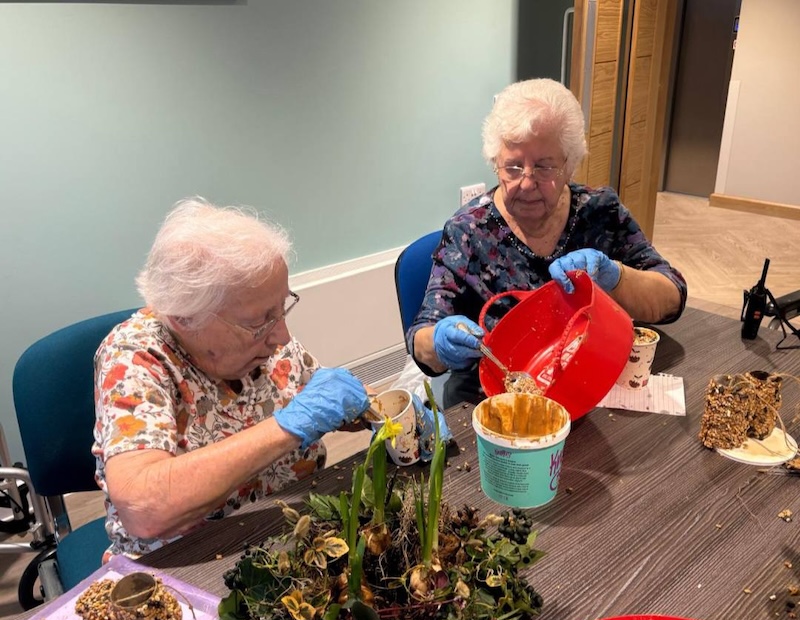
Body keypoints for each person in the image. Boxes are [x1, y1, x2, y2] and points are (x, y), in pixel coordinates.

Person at [92, 197, 371, 559]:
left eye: (282, 308)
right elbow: (144, 508)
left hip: (288, 534)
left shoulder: (264, 342)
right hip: (186, 562)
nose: (282, 336)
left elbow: (324, 401)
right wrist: (288, 426)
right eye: (259, 321)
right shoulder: (135, 357)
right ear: (183, 318)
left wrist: (382, 409)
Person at [408, 78, 687, 408]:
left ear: (569, 165)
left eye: (544, 167)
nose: (527, 183)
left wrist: (616, 277)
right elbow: (421, 337)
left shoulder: (600, 212)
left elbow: (672, 299)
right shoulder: (468, 232)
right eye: (513, 167)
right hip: (498, 398)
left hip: (594, 382)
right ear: (495, 164)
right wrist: (438, 344)